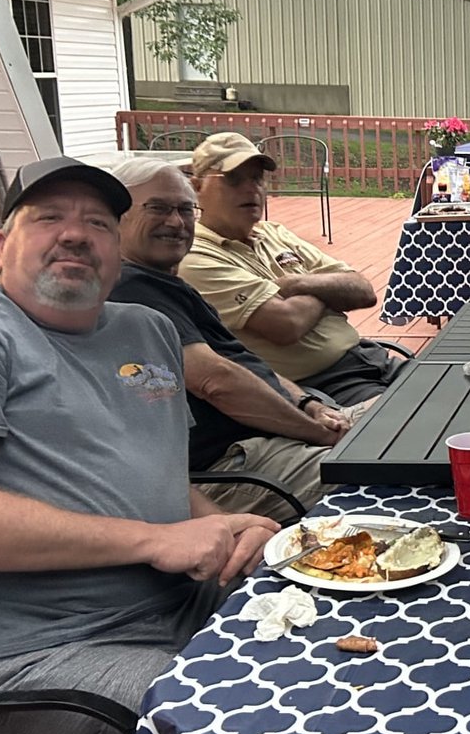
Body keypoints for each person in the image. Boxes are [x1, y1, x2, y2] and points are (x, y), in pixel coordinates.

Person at [0, 157, 277, 734]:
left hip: (179, 607)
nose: (75, 234)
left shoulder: (147, 329)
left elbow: (156, 474)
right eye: (48, 218)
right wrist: (153, 540)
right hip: (25, 660)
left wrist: (224, 528)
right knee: (266, 730)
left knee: (355, 633)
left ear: (117, 253)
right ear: (1, 246)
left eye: (97, 223)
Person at [106, 159, 362, 522]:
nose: (176, 222)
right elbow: (216, 382)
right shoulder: (130, 289)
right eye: (158, 208)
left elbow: (239, 360)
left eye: (185, 210)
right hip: (234, 465)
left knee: (418, 420)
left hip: (281, 434)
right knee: (402, 464)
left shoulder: (166, 283)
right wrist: (315, 432)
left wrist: (308, 405)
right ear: (116, 217)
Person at [182, 133, 403, 404]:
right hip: (323, 387)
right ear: (197, 186)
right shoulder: (194, 256)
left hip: (369, 356)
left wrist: (294, 285)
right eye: (233, 179)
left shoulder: (274, 232)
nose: (251, 188)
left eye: (257, 178)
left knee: (451, 387)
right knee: (423, 418)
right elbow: (287, 324)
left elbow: (363, 290)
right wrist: (326, 290)